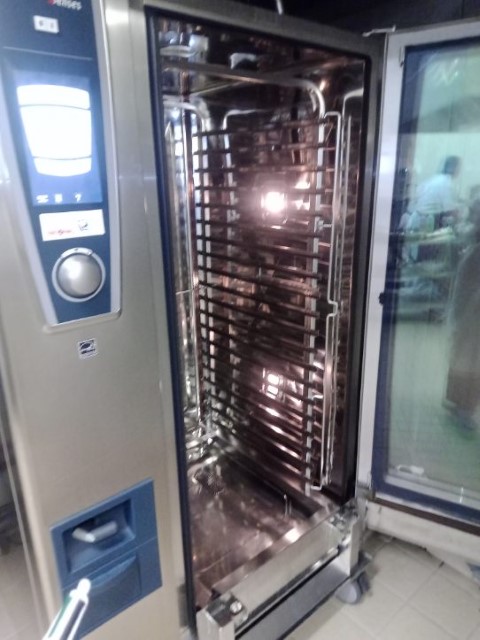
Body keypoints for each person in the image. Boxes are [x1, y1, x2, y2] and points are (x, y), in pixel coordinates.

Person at [445, 197, 480, 430]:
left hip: (472, 314)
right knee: (465, 358)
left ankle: (463, 407)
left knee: (470, 359)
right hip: (469, 312)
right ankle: (461, 405)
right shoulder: (474, 248)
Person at [407, 156, 462, 235]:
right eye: (458, 167)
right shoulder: (447, 183)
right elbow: (451, 210)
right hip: (425, 223)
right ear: (455, 168)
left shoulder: (435, 179)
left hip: (416, 220)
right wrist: (460, 222)